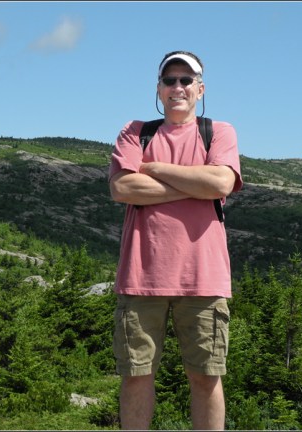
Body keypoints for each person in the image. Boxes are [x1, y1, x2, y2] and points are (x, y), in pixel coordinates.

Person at [108, 50, 243, 430]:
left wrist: (155, 169)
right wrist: (195, 185)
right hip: (141, 278)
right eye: (170, 80)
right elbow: (122, 188)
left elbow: (221, 182)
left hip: (203, 279)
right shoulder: (135, 131)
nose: (178, 87)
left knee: (206, 377)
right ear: (159, 89)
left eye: (187, 80)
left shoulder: (219, 131)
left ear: (201, 89)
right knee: (136, 375)